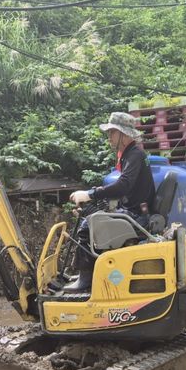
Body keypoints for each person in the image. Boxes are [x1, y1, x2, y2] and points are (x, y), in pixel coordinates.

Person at [64, 112, 156, 292]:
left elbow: (124, 185)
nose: (109, 137)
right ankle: (91, 271)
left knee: (87, 226)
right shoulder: (130, 154)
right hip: (134, 210)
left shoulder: (135, 155)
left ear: (124, 134)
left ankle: (85, 279)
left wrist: (91, 194)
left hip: (137, 216)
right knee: (91, 216)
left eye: (112, 132)